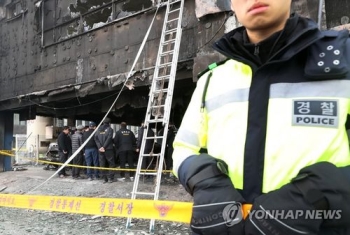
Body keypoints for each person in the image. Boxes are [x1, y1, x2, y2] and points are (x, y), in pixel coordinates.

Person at [172, 0, 350, 234]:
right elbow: (185, 147)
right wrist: (207, 183)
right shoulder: (212, 80)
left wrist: (315, 196)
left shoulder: (343, 61)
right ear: (231, 5)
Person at [94, 117, 115, 183]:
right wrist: (104, 147)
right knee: (111, 163)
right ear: (109, 123)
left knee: (102, 163)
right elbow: (109, 138)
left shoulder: (98, 129)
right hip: (108, 149)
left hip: (100, 149)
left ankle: (104, 178)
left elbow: (96, 138)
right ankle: (111, 178)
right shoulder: (110, 129)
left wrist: (100, 147)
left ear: (102, 122)